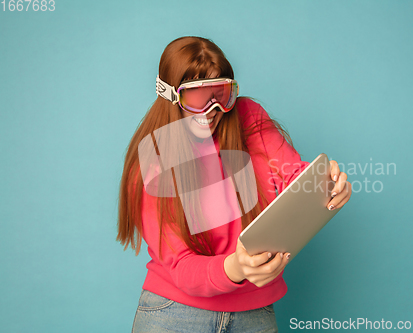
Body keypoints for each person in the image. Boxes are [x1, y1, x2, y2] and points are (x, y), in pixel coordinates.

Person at [116, 36, 352, 333]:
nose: (212, 109)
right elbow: (181, 266)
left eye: (221, 93)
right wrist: (238, 267)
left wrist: (325, 184)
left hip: (254, 312)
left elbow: (294, 176)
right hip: (174, 315)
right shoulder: (151, 163)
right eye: (198, 97)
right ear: (172, 96)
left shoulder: (246, 116)